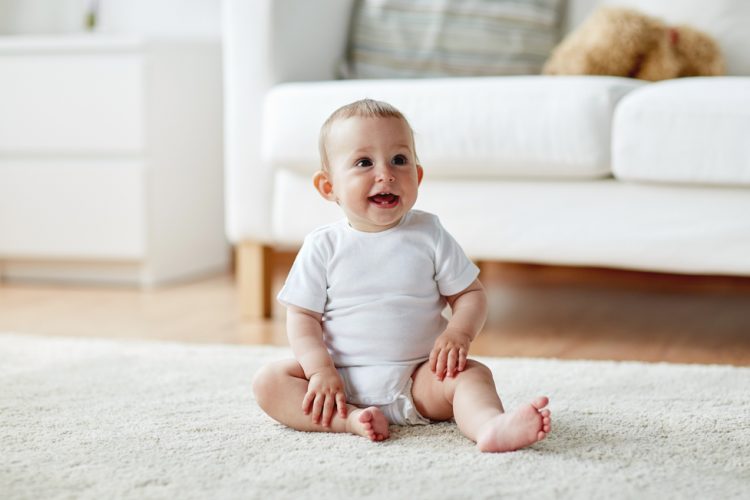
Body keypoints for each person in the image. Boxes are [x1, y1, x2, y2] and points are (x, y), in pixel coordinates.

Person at [252, 98, 551, 452]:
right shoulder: (323, 246)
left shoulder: (429, 233)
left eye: (399, 160)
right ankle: (348, 420)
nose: (386, 173)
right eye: (364, 162)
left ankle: (490, 425)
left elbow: (470, 294)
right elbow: (302, 315)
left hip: (419, 378)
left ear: (418, 176)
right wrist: (319, 371)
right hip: (340, 380)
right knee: (269, 382)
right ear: (328, 187)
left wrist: (459, 333)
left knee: (472, 376)